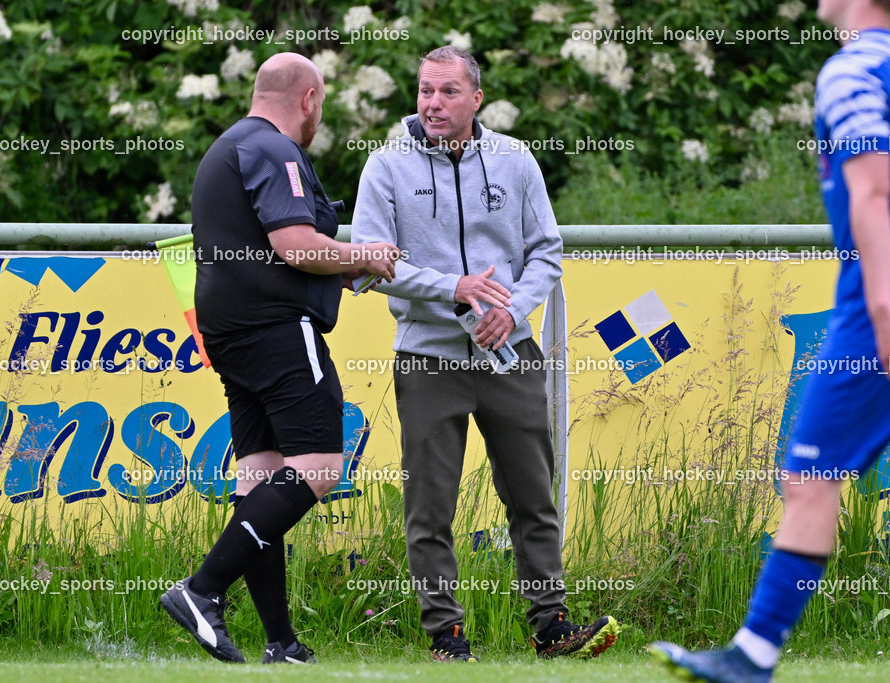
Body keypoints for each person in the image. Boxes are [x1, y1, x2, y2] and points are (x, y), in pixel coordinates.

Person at [351, 45, 619, 662]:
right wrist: (454, 288)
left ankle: (551, 628)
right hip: (429, 359)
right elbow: (371, 261)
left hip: (511, 355)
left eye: (448, 92)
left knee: (532, 497)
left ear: (476, 99)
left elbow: (546, 252)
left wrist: (511, 308)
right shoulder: (385, 167)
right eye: (425, 91)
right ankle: (446, 637)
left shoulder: (516, 160)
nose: (434, 103)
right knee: (430, 509)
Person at [651, 2, 890, 681]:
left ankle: (751, 656)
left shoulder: (856, 69)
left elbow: (875, 196)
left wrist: (881, 305)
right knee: (810, 477)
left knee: (811, 477)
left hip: (874, 296)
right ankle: (750, 653)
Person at [160, 52, 399, 665]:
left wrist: (342, 271)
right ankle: (201, 589)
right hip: (273, 329)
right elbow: (294, 245)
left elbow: (264, 247)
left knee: (263, 480)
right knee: (319, 464)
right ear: (310, 99)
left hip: (230, 332)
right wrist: (363, 255)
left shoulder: (227, 148)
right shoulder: (274, 149)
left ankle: (281, 642)